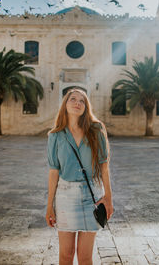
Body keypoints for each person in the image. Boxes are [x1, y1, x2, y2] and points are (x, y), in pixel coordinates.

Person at [45, 88, 114, 265]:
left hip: (91, 197)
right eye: (72, 99)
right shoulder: (55, 135)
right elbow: (53, 172)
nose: (77, 103)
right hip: (65, 197)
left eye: (82, 101)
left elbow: (104, 166)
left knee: (85, 257)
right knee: (66, 256)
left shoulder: (96, 130)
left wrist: (108, 198)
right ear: (65, 105)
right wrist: (49, 206)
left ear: (86, 106)